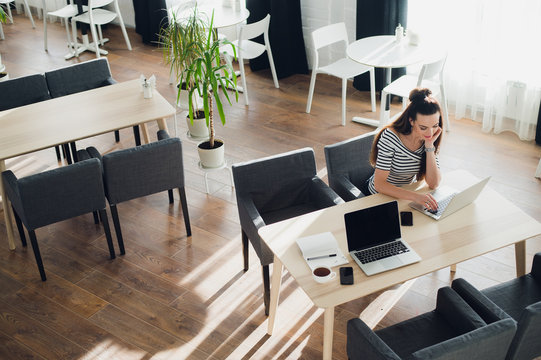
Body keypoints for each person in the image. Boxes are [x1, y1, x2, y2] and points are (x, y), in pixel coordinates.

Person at [364, 87, 443, 211]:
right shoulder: (391, 137)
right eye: (423, 127)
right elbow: (380, 185)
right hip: (379, 197)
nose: (430, 132)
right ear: (411, 121)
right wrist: (415, 197)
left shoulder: (430, 139)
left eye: (435, 126)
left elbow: (434, 183)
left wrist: (429, 147)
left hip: (405, 196)